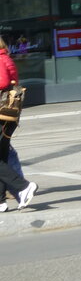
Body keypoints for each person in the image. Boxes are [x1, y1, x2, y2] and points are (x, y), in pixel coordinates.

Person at [0, 37, 36, 211]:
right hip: (8, 114)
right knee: (1, 157)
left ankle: (24, 187)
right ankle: (1, 201)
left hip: (2, 114)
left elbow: (3, 82)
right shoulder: (5, 57)